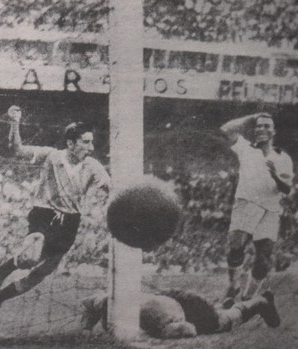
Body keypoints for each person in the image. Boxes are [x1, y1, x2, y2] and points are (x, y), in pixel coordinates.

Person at [0, 105, 110, 311]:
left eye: (92, 142)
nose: (91, 148)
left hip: (70, 221)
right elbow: (17, 150)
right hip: (44, 214)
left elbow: (108, 185)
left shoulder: (92, 166)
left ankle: (0, 297)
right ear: (71, 143)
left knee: (43, 271)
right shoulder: (52, 156)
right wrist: (14, 123)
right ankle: (4, 270)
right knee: (30, 258)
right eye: (86, 142)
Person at [220, 112, 294, 302]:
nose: (261, 129)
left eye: (266, 126)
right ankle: (233, 285)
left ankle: (247, 297)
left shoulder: (283, 157)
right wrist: (254, 116)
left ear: (273, 132)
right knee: (235, 247)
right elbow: (226, 128)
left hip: (269, 209)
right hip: (246, 203)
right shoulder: (246, 149)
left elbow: (286, 189)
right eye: (258, 126)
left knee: (263, 260)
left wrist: (275, 175)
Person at [80, 289, 281, 338]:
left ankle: (260, 302)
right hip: (173, 297)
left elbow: (189, 330)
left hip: (184, 309)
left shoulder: (136, 318)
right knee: (215, 314)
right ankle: (220, 307)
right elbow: (93, 304)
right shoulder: (115, 297)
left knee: (221, 323)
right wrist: (86, 328)